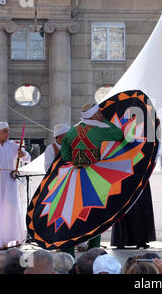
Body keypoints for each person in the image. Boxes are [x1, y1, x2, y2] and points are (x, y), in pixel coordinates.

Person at [60, 103, 124, 257]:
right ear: (94, 115)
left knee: (70, 213)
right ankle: (93, 252)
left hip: (74, 175)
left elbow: (64, 150)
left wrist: (72, 161)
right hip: (93, 175)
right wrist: (106, 122)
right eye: (99, 113)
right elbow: (119, 135)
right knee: (94, 213)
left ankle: (67, 253)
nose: (101, 114)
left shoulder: (73, 130)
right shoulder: (101, 130)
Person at [0, 121, 31, 250]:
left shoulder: (13, 146)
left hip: (10, 182)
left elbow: (28, 158)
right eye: (5, 131)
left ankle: (13, 240)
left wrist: (23, 154)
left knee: (12, 209)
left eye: (8, 131)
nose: (8, 134)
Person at [110, 181, 156, 250]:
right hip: (125, 177)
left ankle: (140, 240)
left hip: (139, 177)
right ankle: (121, 240)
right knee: (123, 207)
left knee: (140, 208)